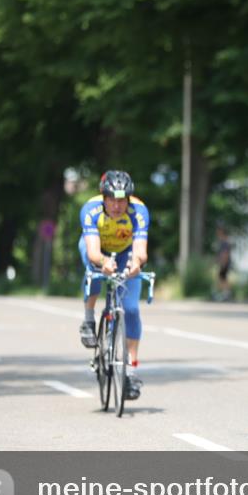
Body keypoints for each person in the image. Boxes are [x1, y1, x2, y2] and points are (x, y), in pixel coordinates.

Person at [78, 170, 150, 400]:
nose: (117, 206)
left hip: (125, 251)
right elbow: (92, 251)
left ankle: (130, 372)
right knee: (95, 276)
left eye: (122, 200)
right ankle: (89, 318)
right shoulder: (90, 210)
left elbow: (140, 250)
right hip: (98, 249)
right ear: (103, 197)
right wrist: (102, 262)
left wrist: (136, 264)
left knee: (131, 309)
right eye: (112, 200)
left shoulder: (139, 212)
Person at [214, 225, 233, 302]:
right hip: (223, 262)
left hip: (224, 262)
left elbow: (225, 253)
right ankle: (225, 293)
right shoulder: (223, 241)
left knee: (222, 278)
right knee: (222, 277)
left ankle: (226, 293)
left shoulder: (224, 241)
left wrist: (223, 262)